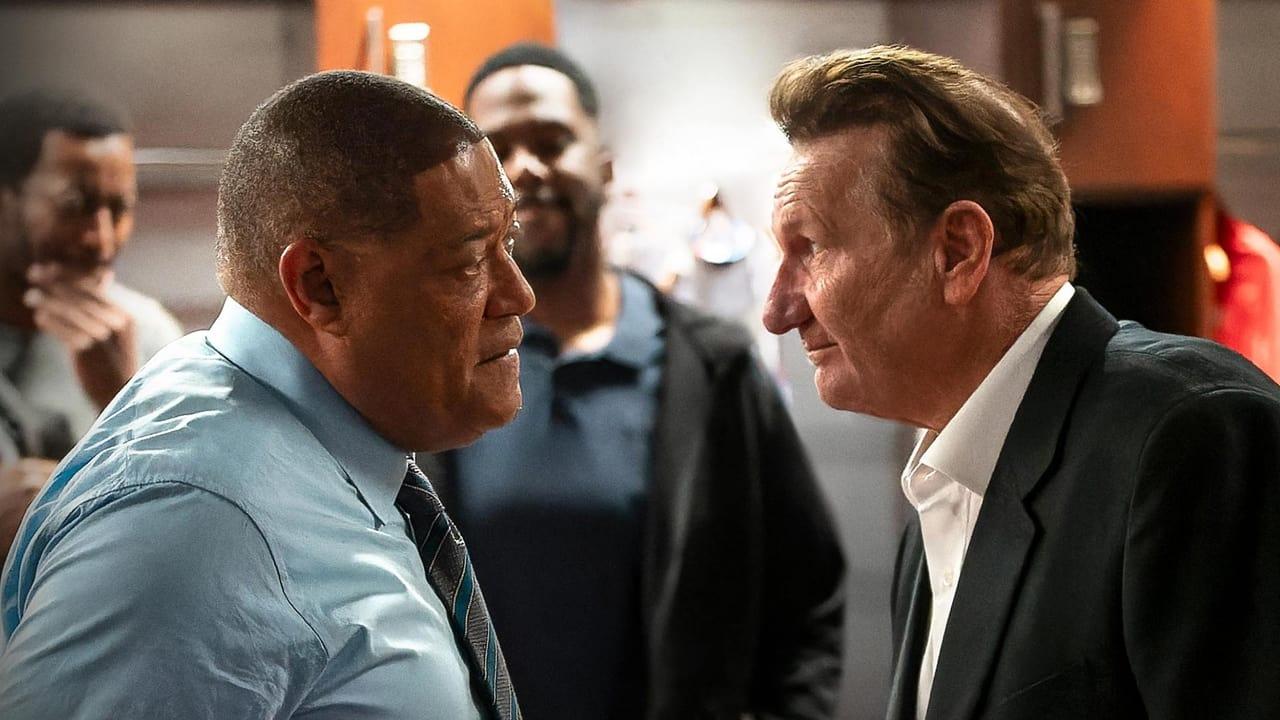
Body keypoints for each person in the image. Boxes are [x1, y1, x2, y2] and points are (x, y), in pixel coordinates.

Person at [762, 45, 1280, 720]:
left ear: (959, 251)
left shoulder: (1193, 436)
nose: (778, 310)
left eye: (811, 249)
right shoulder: (938, 496)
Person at [0, 71, 534, 720]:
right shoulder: (193, 530)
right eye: (469, 263)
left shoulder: (309, 461)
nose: (518, 294)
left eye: (507, 243)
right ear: (320, 285)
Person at [433, 43, 845, 720]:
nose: (525, 168)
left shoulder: (713, 368)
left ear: (603, 165)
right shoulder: (435, 374)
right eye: (498, 150)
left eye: (552, 142)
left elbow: (806, 597)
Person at [0, 90, 183, 456]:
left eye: (119, 209)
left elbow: (183, 481)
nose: (101, 241)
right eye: (73, 206)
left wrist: (124, 395)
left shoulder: (149, 337)